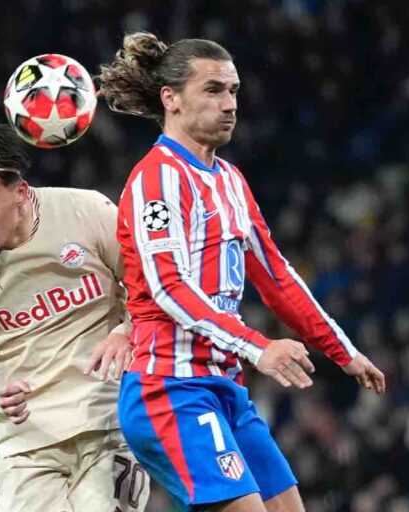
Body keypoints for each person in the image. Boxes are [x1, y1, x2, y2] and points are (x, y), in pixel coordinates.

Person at [98, 32, 386, 512]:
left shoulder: (230, 179)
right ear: (170, 98)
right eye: (213, 90)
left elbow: (275, 276)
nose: (230, 104)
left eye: (233, 91)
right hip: (169, 390)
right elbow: (168, 287)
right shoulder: (157, 179)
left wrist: (343, 351)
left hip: (224, 389)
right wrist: (258, 347)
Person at [0, 116, 149, 511]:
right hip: (25, 445)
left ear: (21, 193)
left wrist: (126, 331)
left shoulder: (86, 211)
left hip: (109, 422)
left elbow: (151, 290)